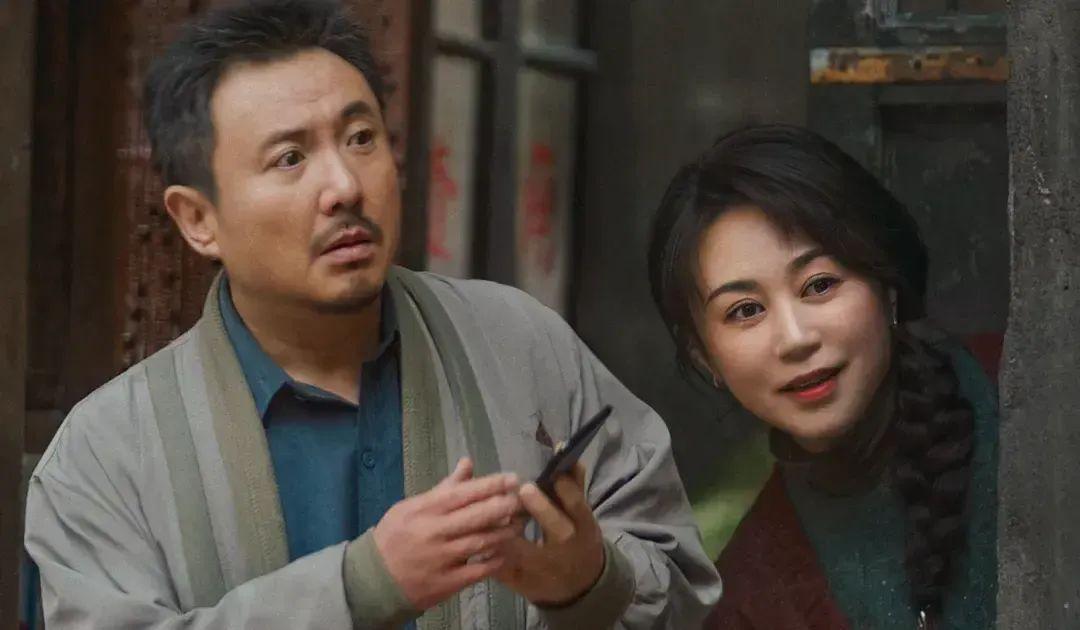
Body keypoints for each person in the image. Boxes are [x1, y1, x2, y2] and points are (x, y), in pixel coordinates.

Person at [23, 1, 721, 628]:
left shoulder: (520, 344)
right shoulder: (107, 454)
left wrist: (589, 584)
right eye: (290, 158)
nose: (344, 186)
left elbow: (685, 588)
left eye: (361, 138)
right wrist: (362, 588)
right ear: (198, 220)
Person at [648, 125, 998, 629]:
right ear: (704, 358)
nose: (795, 338)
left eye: (819, 285)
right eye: (745, 310)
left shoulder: (1038, 396)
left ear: (886, 285)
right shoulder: (750, 600)